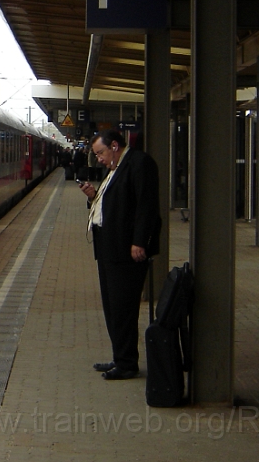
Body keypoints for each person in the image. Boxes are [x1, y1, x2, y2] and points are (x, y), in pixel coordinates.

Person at [77, 129, 161, 380]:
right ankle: (119, 356)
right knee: (112, 306)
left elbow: (146, 206)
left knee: (123, 307)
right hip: (108, 247)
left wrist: (139, 242)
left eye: (100, 153)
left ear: (114, 145)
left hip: (127, 250)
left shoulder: (139, 163)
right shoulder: (114, 168)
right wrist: (93, 197)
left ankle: (127, 363)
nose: (98, 159)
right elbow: (114, 203)